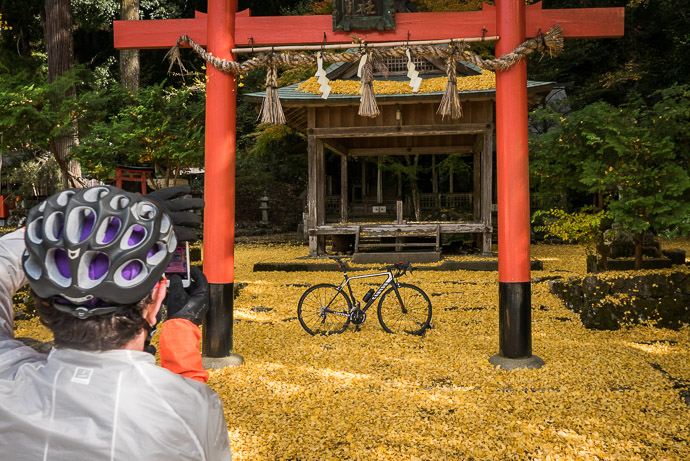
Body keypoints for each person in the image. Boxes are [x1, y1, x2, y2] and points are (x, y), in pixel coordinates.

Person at [0, 185, 232, 460]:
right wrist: (180, 330)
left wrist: (83, 228)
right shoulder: (192, 409)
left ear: (41, 299)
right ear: (158, 297)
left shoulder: (7, 379)